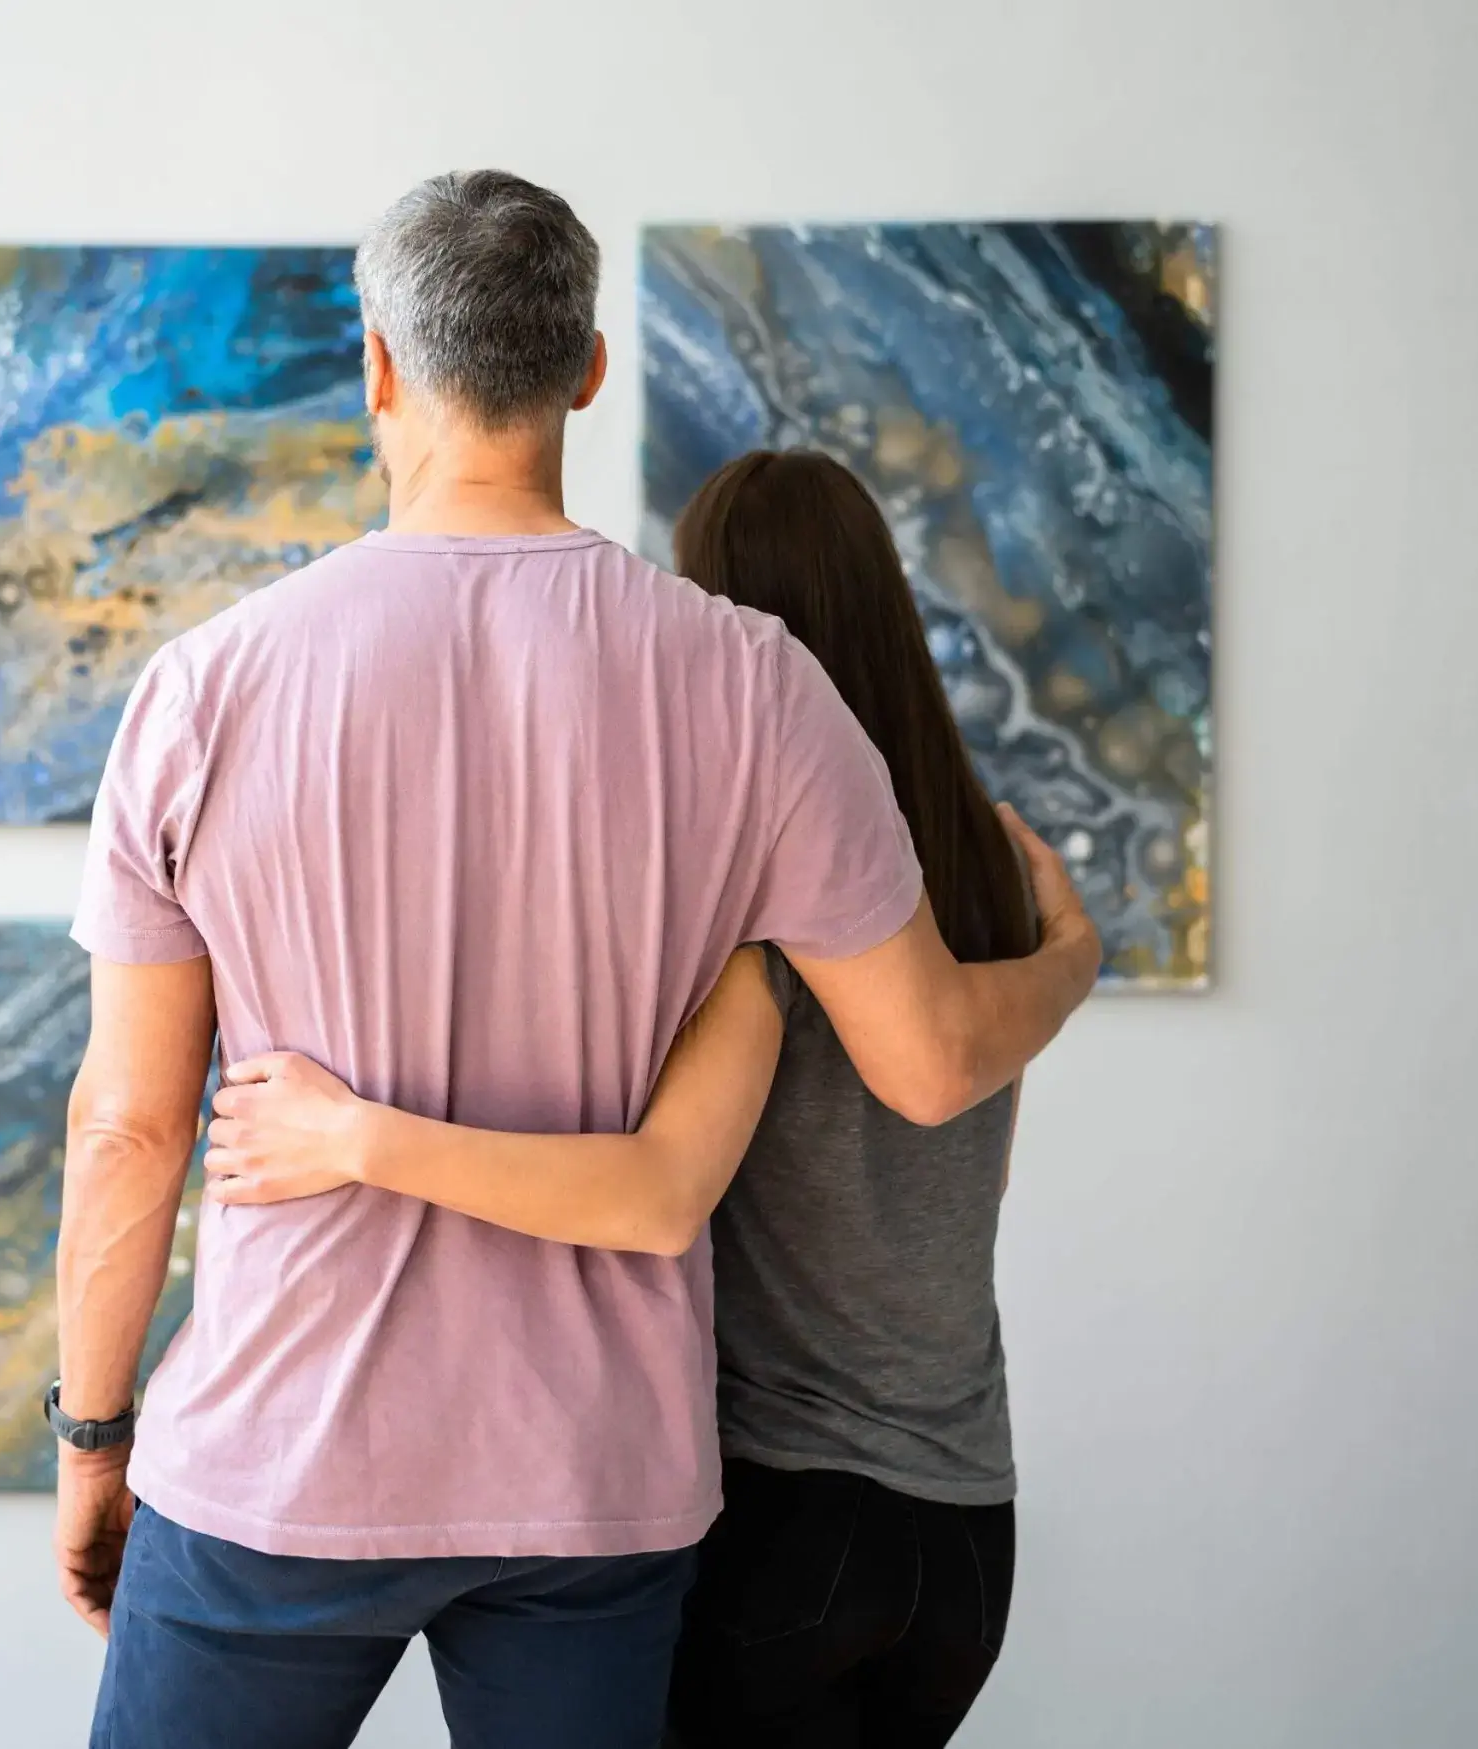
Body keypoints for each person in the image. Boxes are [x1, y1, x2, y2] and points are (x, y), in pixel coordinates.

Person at [54, 170, 1101, 1749]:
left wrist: (92, 1436)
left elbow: (129, 1129)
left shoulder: (206, 688)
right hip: (596, 1484)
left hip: (282, 1456)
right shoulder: (758, 685)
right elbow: (934, 1060)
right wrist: (1075, 956)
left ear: (378, 366)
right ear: (589, 370)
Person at [208, 449, 1046, 1746]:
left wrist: (350, 1135)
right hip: (966, 1535)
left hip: (784, 1516)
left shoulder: (761, 911)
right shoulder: (992, 875)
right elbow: (966, 1143)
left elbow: (659, 1193)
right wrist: (1073, 964)